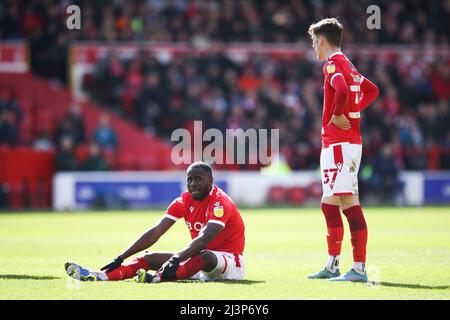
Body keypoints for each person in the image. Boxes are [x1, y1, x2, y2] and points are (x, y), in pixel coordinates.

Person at [65, 162, 245, 283]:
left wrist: (176, 258)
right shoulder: (183, 201)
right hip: (197, 264)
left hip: (230, 264)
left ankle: (156, 278)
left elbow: (204, 239)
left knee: (204, 255)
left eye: (198, 179)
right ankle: (100, 276)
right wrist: (120, 257)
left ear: (210, 180)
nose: (193, 184)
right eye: (189, 179)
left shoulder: (220, 202)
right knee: (148, 257)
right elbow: (155, 233)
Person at [306, 18, 379, 282]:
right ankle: (333, 264)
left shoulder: (333, 65)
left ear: (322, 41)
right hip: (341, 144)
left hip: (340, 144)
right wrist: (353, 110)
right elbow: (371, 90)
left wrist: (339, 114)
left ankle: (358, 268)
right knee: (329, 203)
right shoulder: (348, 63)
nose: (314, 47)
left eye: (314, 42)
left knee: (348, 202)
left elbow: (340, 89)